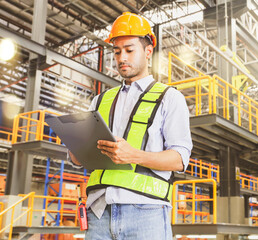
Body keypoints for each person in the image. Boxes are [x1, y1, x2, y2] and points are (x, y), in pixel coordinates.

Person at [68, 12, 192, 240]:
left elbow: (179, 159)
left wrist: (134, 155)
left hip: (146, 212)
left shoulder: (170, 98)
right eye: (117, 51)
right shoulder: (100, 100)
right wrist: (76, 150)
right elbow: (82, 158)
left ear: (147, 51)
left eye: (129, 50)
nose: (121, 57)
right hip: (99, 211)